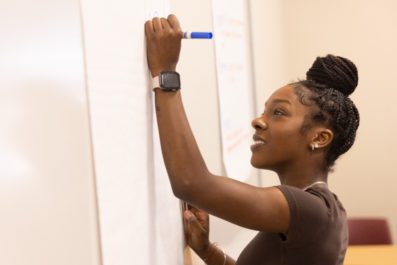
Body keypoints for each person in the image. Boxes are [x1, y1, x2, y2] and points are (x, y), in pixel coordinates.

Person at [145, 14, 359, 265]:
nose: (257, 121)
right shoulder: (324, 209)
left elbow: (191, 184)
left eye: (278, 112)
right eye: (264, 111)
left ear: (320, 137)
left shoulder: (311, 211)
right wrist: (206, 250)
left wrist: (165, 74)